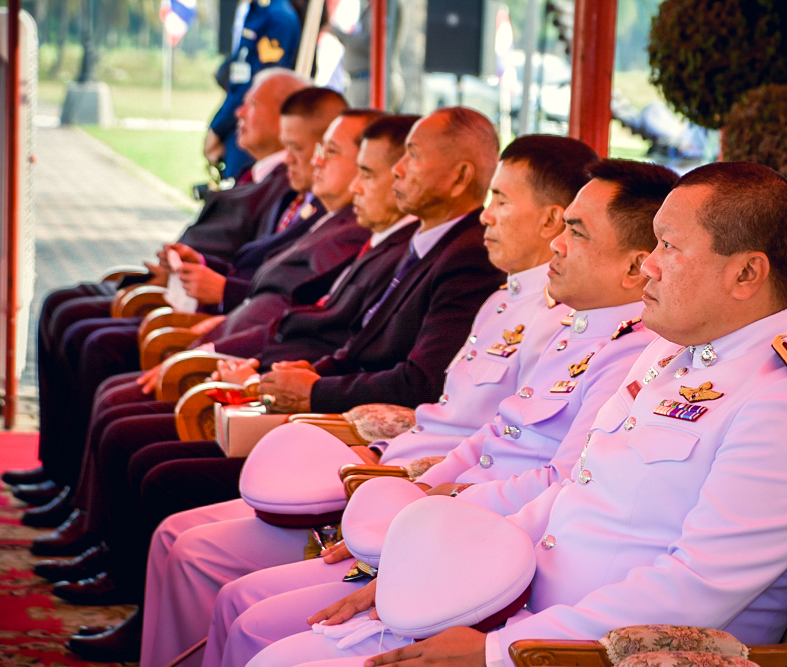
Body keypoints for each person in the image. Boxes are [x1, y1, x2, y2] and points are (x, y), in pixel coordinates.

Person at [235, 162, 787, 667]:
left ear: (747, 273)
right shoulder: (680, 350)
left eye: (669, 247)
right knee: (278, 648)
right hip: (520, 610)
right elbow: (573, 492)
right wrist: (435, 572)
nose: (647, 263)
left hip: (582, 653)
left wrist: (499, 651)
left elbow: (694, 590)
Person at [135, 135, 603, 667]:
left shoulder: (561, 321)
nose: (485, 216)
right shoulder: (505, 299)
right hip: (398, 483)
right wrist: (403, 483)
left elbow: (524, 460)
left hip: (437, 515)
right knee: (181, 539)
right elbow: (475, 431)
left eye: (500, 200)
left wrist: (416, 497)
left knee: (234, 599)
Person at [52, 108, 503, 652]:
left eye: (504, 203)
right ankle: (136, 605)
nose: (398, 171)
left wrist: (311, 389)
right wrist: (301, 375)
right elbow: (353, 338)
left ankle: (138, 611)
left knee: (157, 470)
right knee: (147, 456)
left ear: (459, 176)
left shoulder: (469, 257)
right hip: (346, 418)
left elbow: (421, 384)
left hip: (372, 447)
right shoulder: (430, 244)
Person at [14, 69, 309, 509]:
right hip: (196, 296)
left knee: (90, 337)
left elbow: (283, 292)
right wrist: (189, 266)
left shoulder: (295, 190)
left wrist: (219, 291)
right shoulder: (271, 180)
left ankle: (77, 499)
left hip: (221, 321)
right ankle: (60, 474)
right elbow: (254, 262)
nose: (239, 113)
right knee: (62, 306)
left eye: (251, 104)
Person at [207, 0, 301, 179]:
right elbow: (240, 68)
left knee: (243, 184)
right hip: (237, 121)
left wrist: (217, 129)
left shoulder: (278, 17)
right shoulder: (257, 10)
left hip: (254, 124)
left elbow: (259, 88)